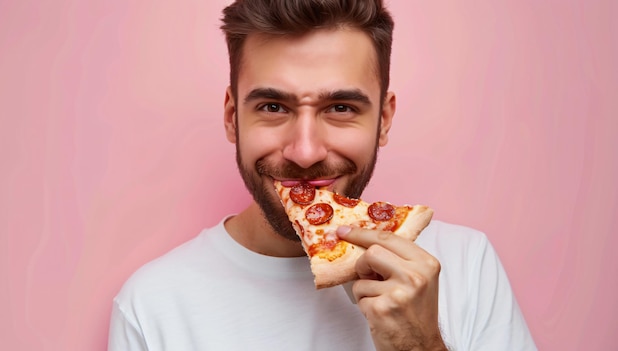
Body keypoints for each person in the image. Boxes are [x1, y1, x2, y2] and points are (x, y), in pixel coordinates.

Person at [108, 0, 537, 350]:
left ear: (384, 121)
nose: (305, 151)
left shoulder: (464, 264)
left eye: (340, 108)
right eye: (273, 107)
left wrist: (418, 344)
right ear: (232, 118)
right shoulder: (152, 304)